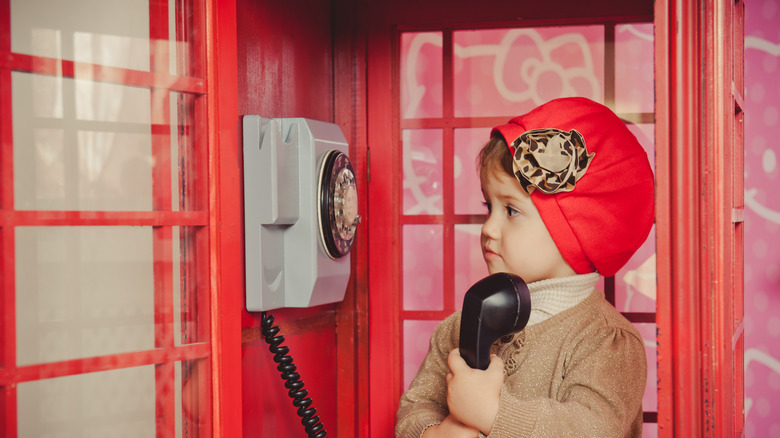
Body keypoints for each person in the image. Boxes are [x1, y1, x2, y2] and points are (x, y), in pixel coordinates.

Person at [395, 97, 655, 438]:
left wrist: (493, 413)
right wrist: (433, 431)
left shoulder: (605, 342)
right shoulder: (459, 328)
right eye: (489, 206)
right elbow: (416, 406)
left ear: (576, 232)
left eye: (511, 211)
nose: (488, 227)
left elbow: (594, 428)